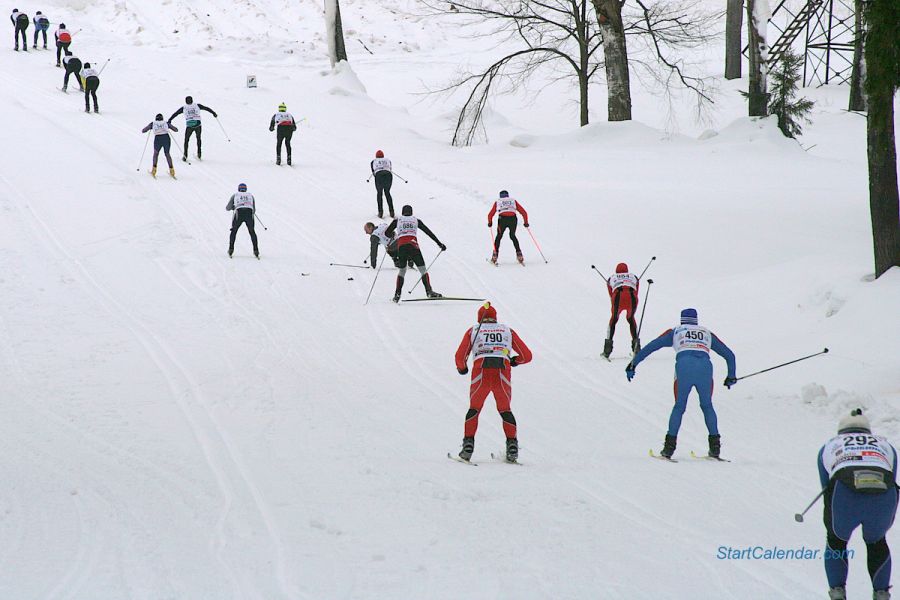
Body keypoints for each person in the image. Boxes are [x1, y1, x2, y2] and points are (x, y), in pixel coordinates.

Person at [626, 308, 736, 459]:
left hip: (684, 367)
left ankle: (668, 449)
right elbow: (729, 355)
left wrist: (633, 364)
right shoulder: (707, 333)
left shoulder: (675, 332)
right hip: (705, 368)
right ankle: (715, 448)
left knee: (679, 406)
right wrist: (731, 375)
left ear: (682, 320)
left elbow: (651, 346)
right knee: (707, 406)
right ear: (696, 320)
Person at [818, 409, 898, 600]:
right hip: (883, 497)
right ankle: (881, 594)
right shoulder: (887, 445)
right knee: (877, 542)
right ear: (867, 431)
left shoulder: (829, 445)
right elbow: (893, 477)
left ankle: (837, 592)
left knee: (836, 541)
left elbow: (826, 487)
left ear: (841, 431)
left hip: (845, 495)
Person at [453, 302, 532, 462]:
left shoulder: (473, 331)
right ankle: (512, 448)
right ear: (495, 318)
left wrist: (462, 369)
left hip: (481, 371)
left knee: (474, 409)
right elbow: (527, 355)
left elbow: (460, 356)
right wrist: (516, 361)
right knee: (505, 410)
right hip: (502, 371)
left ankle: (467, 448)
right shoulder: (507, 331)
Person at [383, 205, 446, 302]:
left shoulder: (398, 220)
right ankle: (429, 291)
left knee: (402, 271)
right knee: (423, 270)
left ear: (402, 212)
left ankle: (397, 295)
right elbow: (428, 232)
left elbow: (387, 233)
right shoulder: (416, 220)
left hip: (402, 247)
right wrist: (439, 243)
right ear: (411, 212)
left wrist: (395, 233)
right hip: (413, 246)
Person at [603, 262, 640, 358]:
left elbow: (611, 294)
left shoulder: (612, 278)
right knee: (631, 319)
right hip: (632, 298)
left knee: (614, 320)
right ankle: (637, 349)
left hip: (618, 298)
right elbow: (636, 290)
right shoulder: (634, 277)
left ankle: (607, 351)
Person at [167, 96, 217, 162]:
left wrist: (170, 120)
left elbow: (175, 114)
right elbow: (207, 108)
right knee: (198, 138)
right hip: (198, 125)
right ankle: (199, 154)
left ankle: (185, 156)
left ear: (186, 101)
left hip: (189, 126)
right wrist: (214, 113)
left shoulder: (184, 108)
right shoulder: (197, 105)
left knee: (186, 140)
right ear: (192, 100)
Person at [487, 190, 528, 265]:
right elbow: (524, 212)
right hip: (513, 219)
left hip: (502, 219)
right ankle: (519, 255)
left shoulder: (498, 202)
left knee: (499, 236)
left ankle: (495, 256)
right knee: (512, 236)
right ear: (508, 196)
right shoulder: (513, 201)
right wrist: (526, 223)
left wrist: (490, 222)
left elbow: (490, 215)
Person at [226, 183, 259, 258]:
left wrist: (234, 207)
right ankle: (256, 250)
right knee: (252, 232)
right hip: (249, 214)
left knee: (234, 231)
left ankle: (231, 249)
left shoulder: (235, 195)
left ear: (239, 189)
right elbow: (254, 210)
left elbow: (227, 208)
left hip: (239, 214)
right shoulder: (250, 195)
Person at [141, 114, 178, 178]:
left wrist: (150, 128)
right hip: (166, 138)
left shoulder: (153, 123)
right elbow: (176, 129)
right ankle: (172, 170)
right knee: (167, 154)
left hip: (158, 139)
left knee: (156, 154)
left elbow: (143, 130)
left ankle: (154, 170)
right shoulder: (165, 123)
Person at [370, 150, 394, 219]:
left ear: (376, 156)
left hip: (379, 175)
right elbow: (390, 168)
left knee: (379, 193)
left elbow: (373, 172)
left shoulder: (373, 161)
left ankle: (380, 212)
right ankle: (391, 211)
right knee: (387, 192)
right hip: (388, 175)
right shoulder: (388, 160)